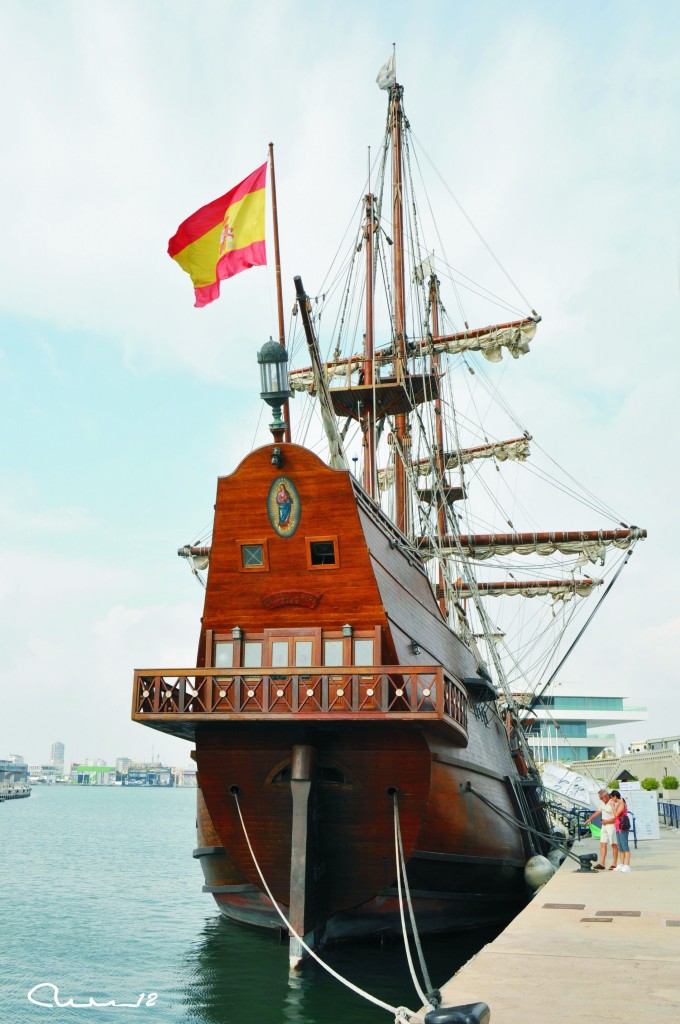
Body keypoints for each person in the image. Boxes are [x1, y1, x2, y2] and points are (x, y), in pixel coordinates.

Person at [583, 789, 619, 870]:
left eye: (601, 798)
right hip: (604, 826)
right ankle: (602, 863)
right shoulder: (603, 802)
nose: (600, 799)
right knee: (602, 844)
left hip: (611, 826)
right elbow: (598, 811)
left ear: (606, 796)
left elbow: (616, 817)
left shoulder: (613, 803)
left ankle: (614, 863)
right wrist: (590, 819)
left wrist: (606, 821)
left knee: (613, 844)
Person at [610, 789, 632, 872]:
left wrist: (612, 806)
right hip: (618, 827)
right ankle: (621, 864)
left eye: (612, 798)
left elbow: (616, 814)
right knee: (620, 847)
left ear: (615, 797)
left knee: (625, 846)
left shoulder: (621, 803)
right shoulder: (618, 804)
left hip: (622, 827)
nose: (612, 800)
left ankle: (627, 865)